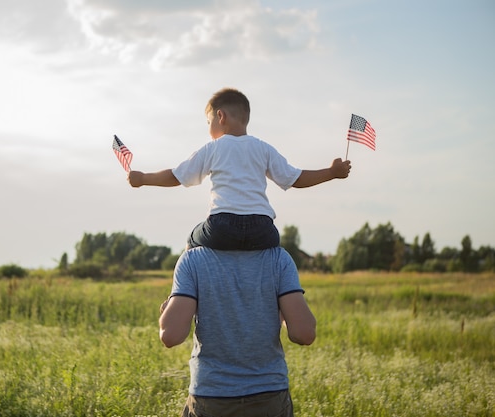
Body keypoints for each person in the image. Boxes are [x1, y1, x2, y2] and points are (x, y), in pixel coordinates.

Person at [128, 87, 351, 250]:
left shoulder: (213, 148)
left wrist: (144, 178)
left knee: (192, 241)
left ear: (220, 117)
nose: (209, 129)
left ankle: (179, 294)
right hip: (262, 228)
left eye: (208, 123)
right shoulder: (263, 148)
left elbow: (177, 176)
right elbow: (295, 178)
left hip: (222, 225)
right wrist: (332, 173)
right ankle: (282, 306)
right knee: (276, 257)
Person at [159, 246, 316, 416]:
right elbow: (304, 333)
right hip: (269, 396)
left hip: (211, 396)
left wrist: (172, 304)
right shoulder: (279, 258)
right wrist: (281, 309)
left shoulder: (192, 259)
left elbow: (170, 336)